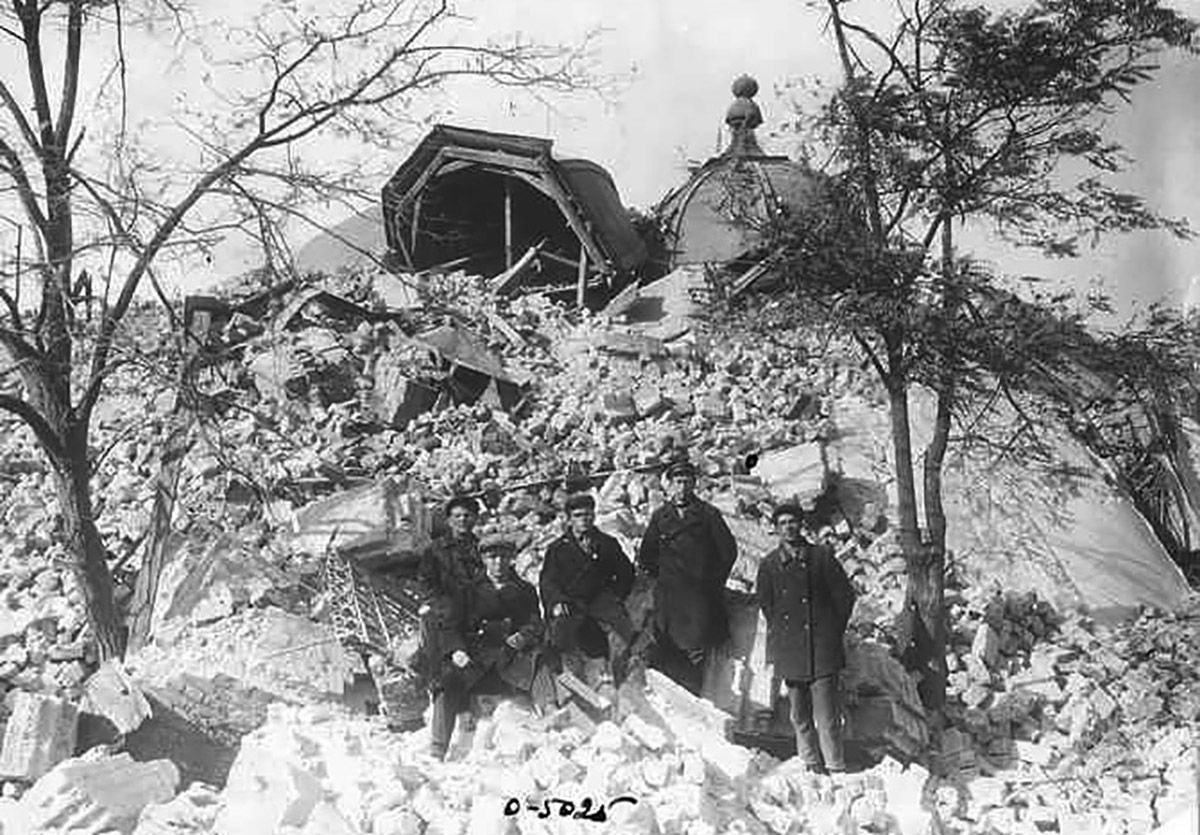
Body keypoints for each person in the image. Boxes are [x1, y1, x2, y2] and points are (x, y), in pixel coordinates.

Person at [426, 534, 552, 760]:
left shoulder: (524, 590)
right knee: (446, 681)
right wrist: (457, 650)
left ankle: (550, 719)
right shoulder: (467, 590)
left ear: (512, 559)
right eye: (492, 557)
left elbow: (535, 623)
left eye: (504, 557)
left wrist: (523, 635)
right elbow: (451, 626)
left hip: (510, 657)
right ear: (484, 559)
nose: (498, 563)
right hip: (477, 658)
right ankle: (437, 748)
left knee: (540, 661)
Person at [756, 503, 856, 774]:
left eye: (793, 521)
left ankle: (836, 767)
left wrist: (832, 631)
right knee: (799, 715)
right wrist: (783, 633)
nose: (788, 527)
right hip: (791, 650)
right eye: (783, 522)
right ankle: (810, 764)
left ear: (801, 525)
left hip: (822, 648)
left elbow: (845, 597)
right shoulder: (769, 565)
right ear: (776, 529)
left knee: (827, 716)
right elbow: (767, 604)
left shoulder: (821, 557)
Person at [636, 458, 738, 695]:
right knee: (668, 647)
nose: (682, 488)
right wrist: (662, 578)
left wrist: (712, 583)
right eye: (677, 482)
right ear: (669, 485)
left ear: (694, 485)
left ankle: (693, 699)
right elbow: (646, 555)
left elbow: (728, 551)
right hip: (670, 597)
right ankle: (673, 700)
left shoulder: (707, 514)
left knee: (696, 649)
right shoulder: (660, 517)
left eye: (687, 482)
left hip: (698, 596)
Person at [540, 493, 635, 688]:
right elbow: (548, 581)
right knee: (558, 636)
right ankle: (565, 680)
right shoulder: (557, 548)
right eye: (578, 515)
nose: (584, 519)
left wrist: (615, 595)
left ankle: (622, 676)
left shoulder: (608, 544)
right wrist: (557, 601)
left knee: (624, 630)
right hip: (571, 602)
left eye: (588, 514)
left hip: (601, 600)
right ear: (569, 519)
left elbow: (626, 573)